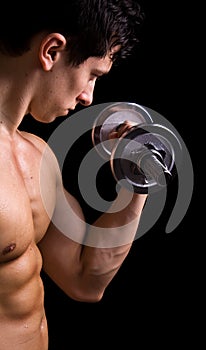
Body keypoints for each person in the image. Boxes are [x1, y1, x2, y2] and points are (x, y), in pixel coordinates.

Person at [0, 1, 147, 349]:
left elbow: (85, 281)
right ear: (52, 50)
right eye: (93, 76)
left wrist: (135, 182)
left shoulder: (36, 157)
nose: (88, 97)